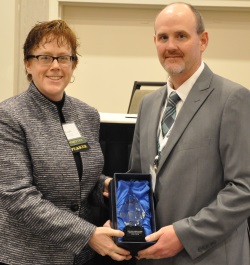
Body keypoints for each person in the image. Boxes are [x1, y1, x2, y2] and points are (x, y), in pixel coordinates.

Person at [0, 20, 131, 265]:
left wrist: (103, 185)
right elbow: (17, 196)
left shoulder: (87, 114)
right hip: (30, 256)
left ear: (73, 64)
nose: (55, 66)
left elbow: (81, 173)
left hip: (80, 257)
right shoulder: (9, 116)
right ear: (28, 64)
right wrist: (87, 235)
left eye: (64, 58)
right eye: (45, 58)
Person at [128, 2, 250, 265]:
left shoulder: (233, 99)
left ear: (203, 40)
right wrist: (121, 216)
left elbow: (243, 189)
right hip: (153, 256)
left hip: (210, 256)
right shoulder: (148, 105)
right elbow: (137, 178)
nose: (170, 45)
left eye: (181, 36)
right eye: (163, 37)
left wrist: (184, 235)